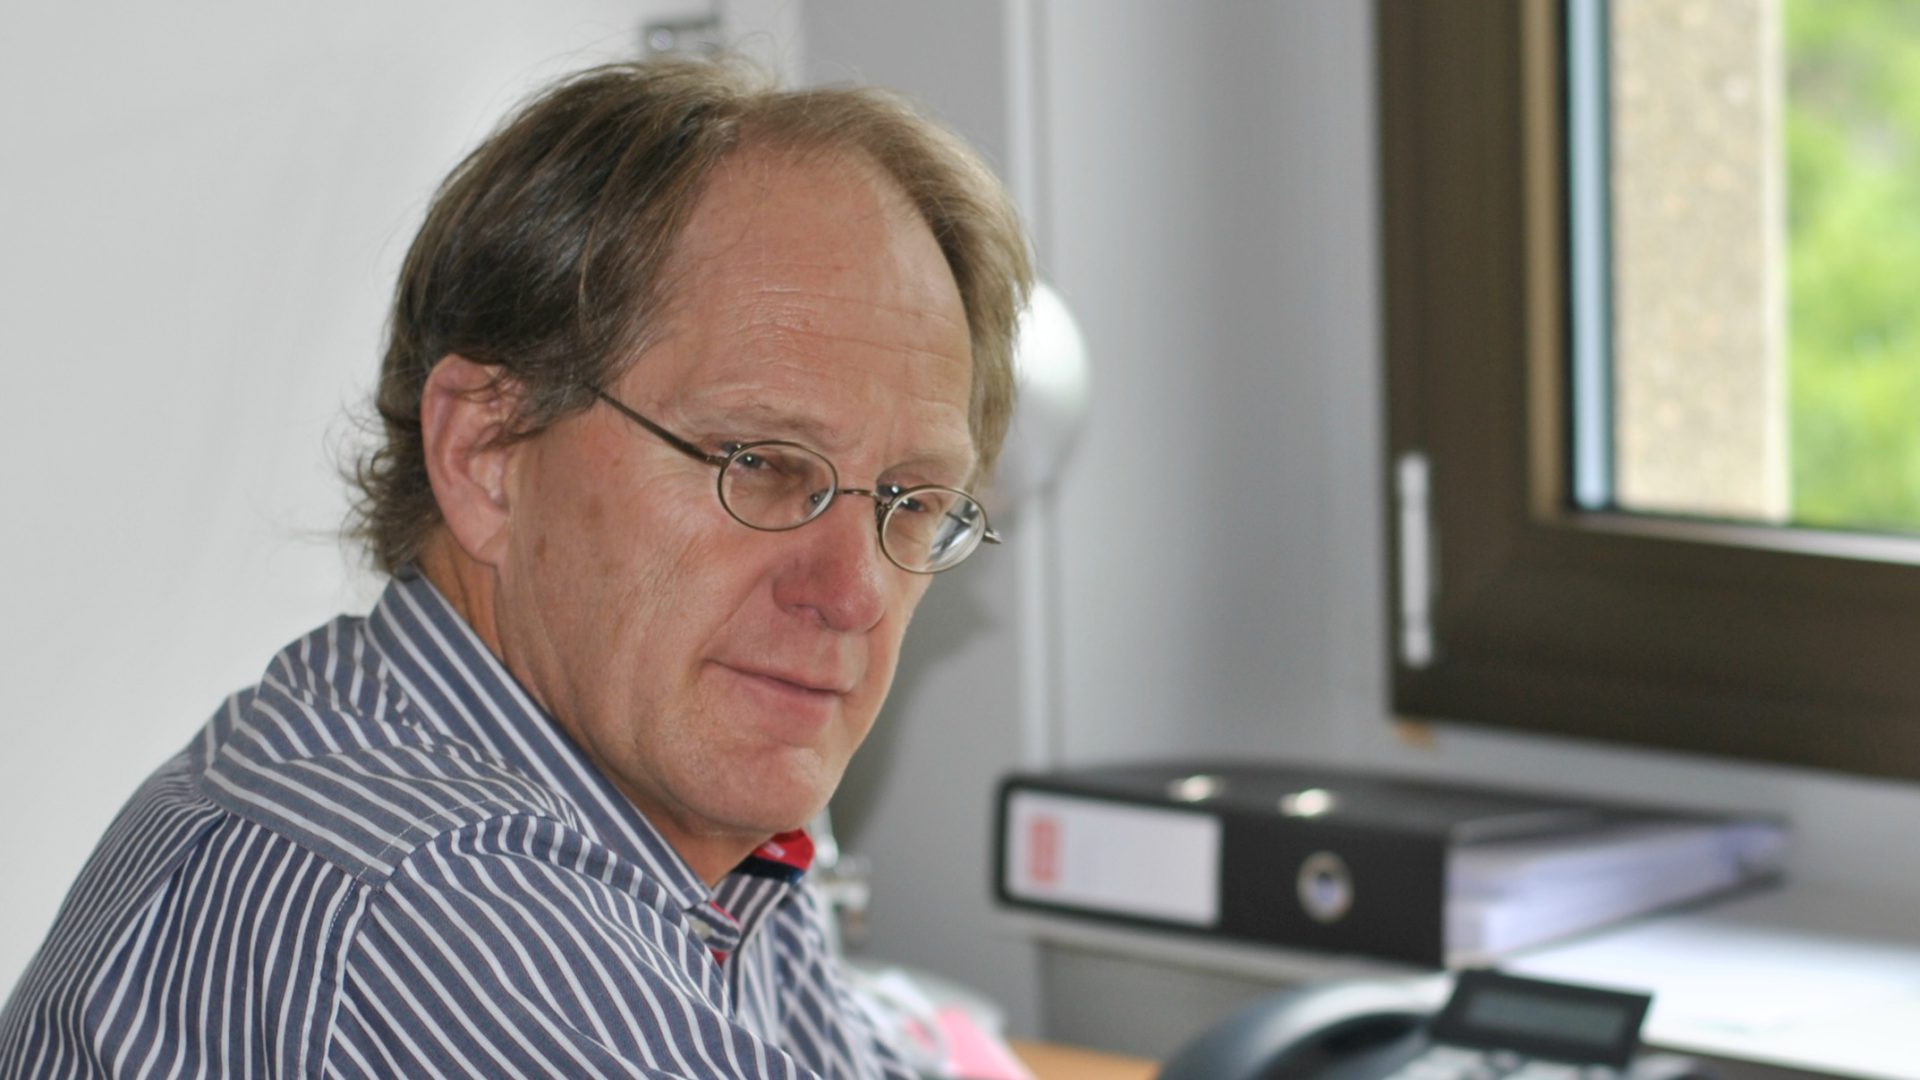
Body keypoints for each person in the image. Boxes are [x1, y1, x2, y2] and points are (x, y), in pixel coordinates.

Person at [0, 55, 1030, 1079]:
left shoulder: (676, 826)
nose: (851, 594)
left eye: (913, 500)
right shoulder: (438, 902)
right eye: (759, 466)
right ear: (486, 457)